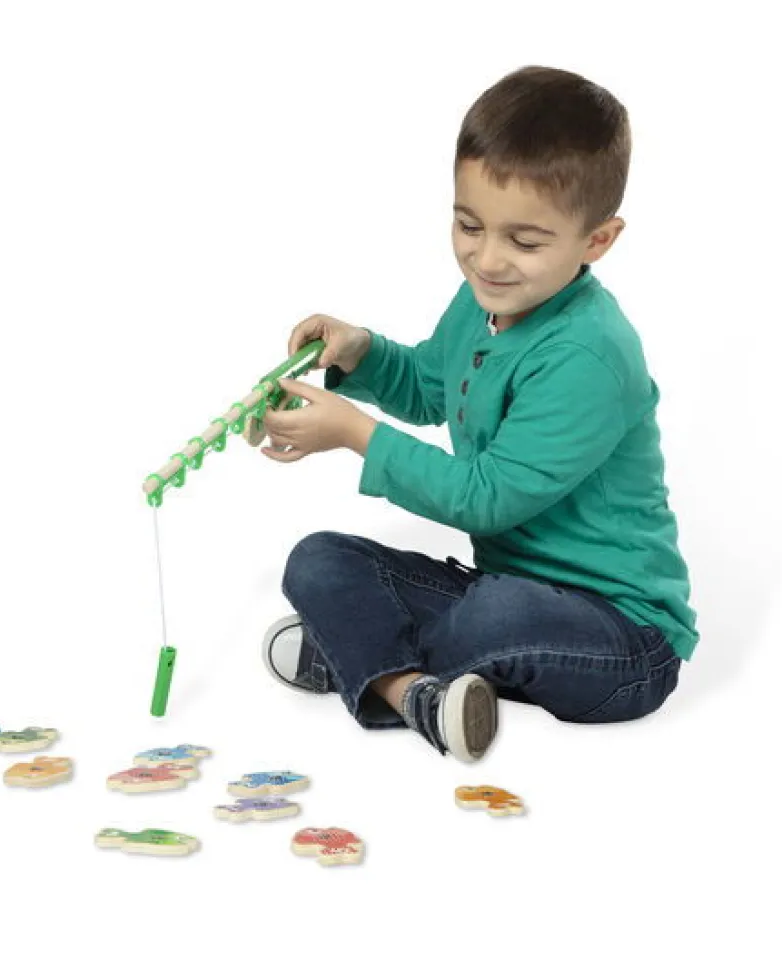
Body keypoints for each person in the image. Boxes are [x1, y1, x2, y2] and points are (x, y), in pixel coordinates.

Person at [258, 65, 697, 762]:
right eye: (469, 225)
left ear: (597, 240)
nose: (487, 259)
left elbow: (486, 500)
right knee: (319, 560)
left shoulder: (588, 354)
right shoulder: (485, 299)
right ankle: (411, 693)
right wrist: (360, 351)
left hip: (622, 643)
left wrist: (353, 434)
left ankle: (358, 656)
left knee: (498, 613)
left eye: (525, 242)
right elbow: (429, 386)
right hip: (504, 596)